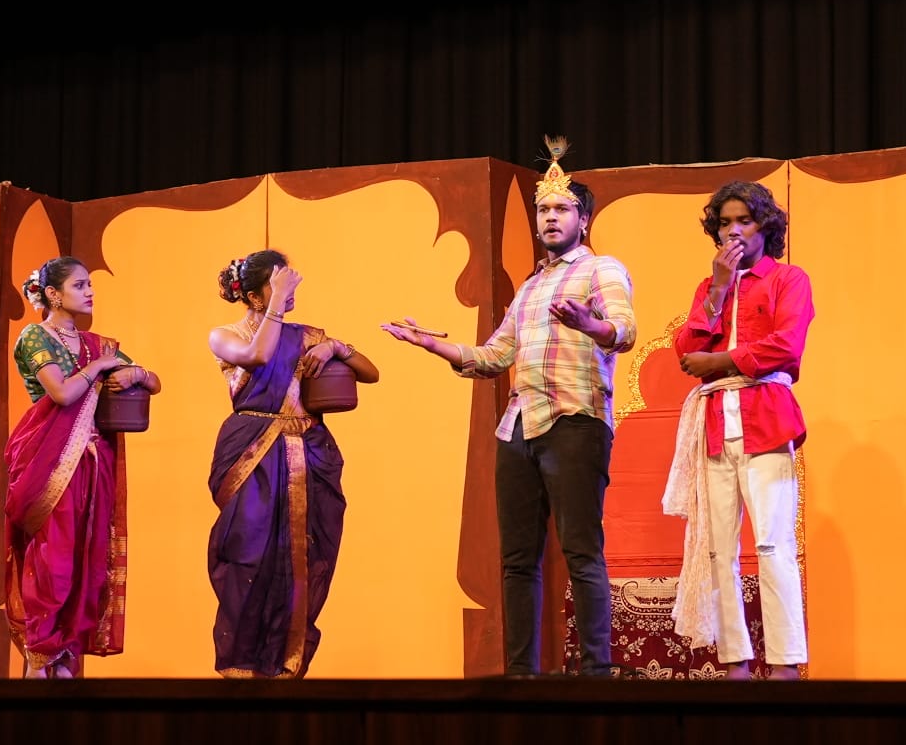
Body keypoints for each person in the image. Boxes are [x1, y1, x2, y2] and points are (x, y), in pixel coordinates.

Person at [381, 136, 637, 678]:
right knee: (518, 559)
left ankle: (596, 673)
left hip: (575, 420)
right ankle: (522, 675)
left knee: (581, 551)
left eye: (561, 209)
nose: (550, 218)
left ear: (583, 219)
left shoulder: (602, 270)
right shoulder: (530, 287)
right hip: (519, 428)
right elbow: (494, 357)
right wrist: (431, 345)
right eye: (543, 210)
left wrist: (590, 325)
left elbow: (624, 330)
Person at [662, 180, 814, 681]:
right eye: (725, 223)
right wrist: (719, 288)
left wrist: (721, 360)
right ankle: (735, 662)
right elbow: (686, 351)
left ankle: (786, 664)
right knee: (718, 550)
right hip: (714, 421)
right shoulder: (710, 287)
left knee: (772, 544)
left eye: (744, 221)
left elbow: (786, 346)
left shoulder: (788, 279)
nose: (734, 232)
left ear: (765, 227)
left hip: (765, 416)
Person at [207, 249, 379, 678]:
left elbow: (370, 372)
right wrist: (278, 306)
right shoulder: (225, 336)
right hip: (252, 456)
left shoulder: (307, 336)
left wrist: (336, 347)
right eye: (278, 284)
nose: (290, 290)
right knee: (249, 557)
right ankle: (241, 667)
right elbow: (259, 356)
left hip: (310, 452)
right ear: (253, 296)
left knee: (306, 556)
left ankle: (287, 665)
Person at [3, 256, 163, 679]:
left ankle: (67, 660)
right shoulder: (35, 336)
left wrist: (137, 374)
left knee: (85, 562)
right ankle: (41, 657)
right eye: (79, 285)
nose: (90, 291)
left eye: (90, 284)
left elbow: (155, 382)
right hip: (48, 460)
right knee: (53, 561)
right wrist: (99, 369)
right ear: (53, 294)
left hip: (93, 464)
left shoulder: (98, 344)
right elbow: (60, 393)